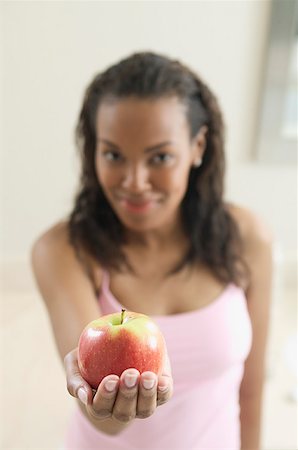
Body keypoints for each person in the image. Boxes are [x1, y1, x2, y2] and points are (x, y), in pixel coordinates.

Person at [31, 51, 273, 450]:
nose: (135, 182)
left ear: (198, 147)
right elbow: (102, 419)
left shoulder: (246, 238)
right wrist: (103, 404)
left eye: (159, 157)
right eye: (113, 155)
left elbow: (251, 389)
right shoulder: (63, 250)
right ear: (93, 152)